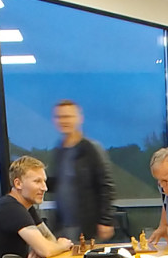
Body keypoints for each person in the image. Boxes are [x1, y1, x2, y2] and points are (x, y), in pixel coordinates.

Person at [47, 99, 116, 242]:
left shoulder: (91, 149)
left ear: (79, 118)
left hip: (88, 228)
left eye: (68, 116)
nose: (63, 121)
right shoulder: (59, 150)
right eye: (59, 117)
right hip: (62, 228)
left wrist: (106, 220)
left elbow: (106, 185)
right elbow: (58, 185)